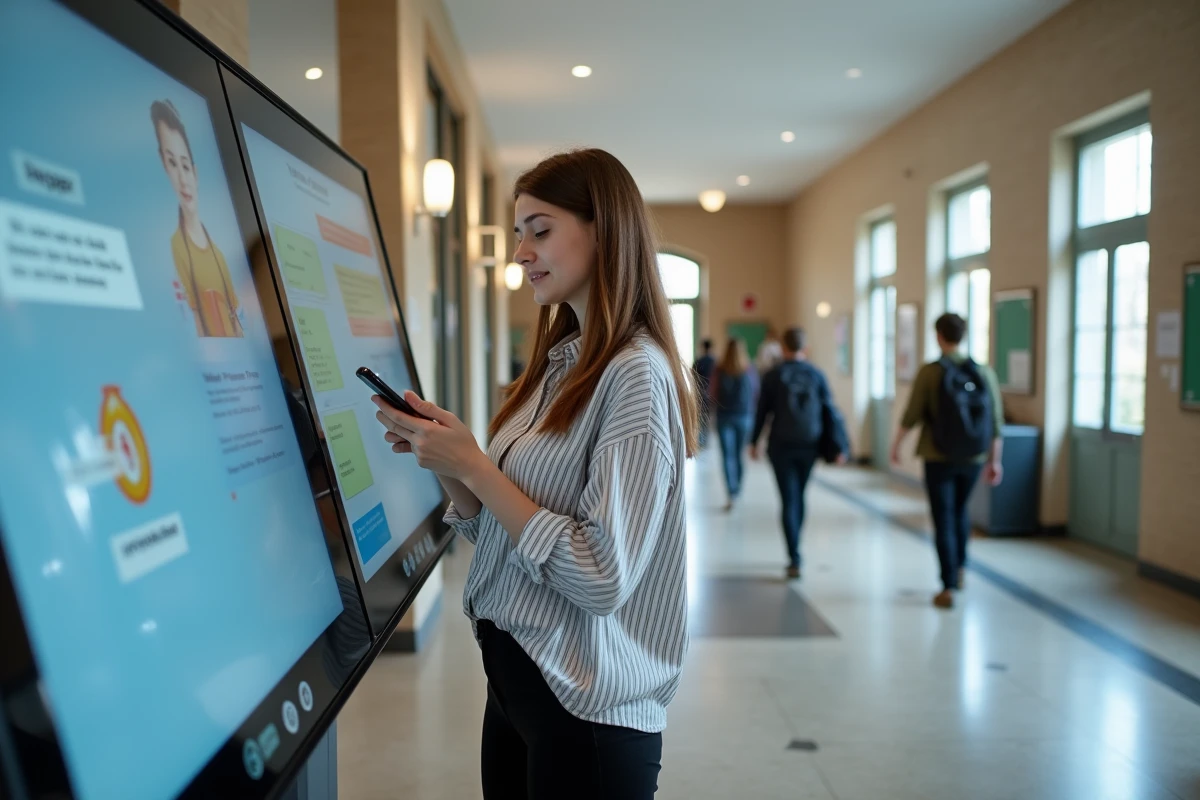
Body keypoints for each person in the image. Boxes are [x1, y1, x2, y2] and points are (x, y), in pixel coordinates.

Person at [370, 149, 698, 799]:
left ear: (604, 230)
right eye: (520, 232)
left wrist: (476, 466)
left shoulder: (633, 374)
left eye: (540, 230)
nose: (521, 253)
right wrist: (449, 463)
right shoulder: (559, 365)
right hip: (522, 680)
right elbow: (507, 540)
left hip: (587, 709)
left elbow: (601, 576)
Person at [890, 313, 1004, 610]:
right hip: (973, 456)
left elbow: (912, 413)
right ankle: (961, 568)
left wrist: (897, 444)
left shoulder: (930, 372)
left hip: (937, 455)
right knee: (959, 511)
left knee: (943, 517)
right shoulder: (983, 372)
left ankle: (947, 584)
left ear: (939, 335)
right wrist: (996, 461)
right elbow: (996, 422)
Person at [750, 327, 848, 579]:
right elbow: (830, 411)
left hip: (780, 445)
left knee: (788, 498)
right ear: (805, 348)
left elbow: (762, 411)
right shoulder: (816, 374)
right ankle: (796, 549)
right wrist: (840, 446)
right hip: (809, 444)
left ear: (783, 347)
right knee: (800, 495)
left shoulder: (773, 375)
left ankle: (793, 556)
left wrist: (753, 441)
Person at [152, 99, 243, 338]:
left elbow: (238, 322)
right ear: (164, 166)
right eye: (172, 164)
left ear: (196, 172)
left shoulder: (221, 255)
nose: (182, 179)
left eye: (185, 165)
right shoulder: (175, 248)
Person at [711, 338, 758, 511]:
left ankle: (731, 493)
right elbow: (755, 392)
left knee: (727, 456)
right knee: (739, 455)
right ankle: (737, 489)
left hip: (724, 417)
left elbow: (713, 392)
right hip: (744, 417)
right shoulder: (749, 368)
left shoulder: (719, 369)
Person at [693, 339, 716, 448]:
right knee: (710, 417)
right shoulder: (715, 362)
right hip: (713, 394)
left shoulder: (698, 361)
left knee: (702, 417)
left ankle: (702, 441)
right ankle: (707, 440)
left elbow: (693, 378)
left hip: (701, 393)